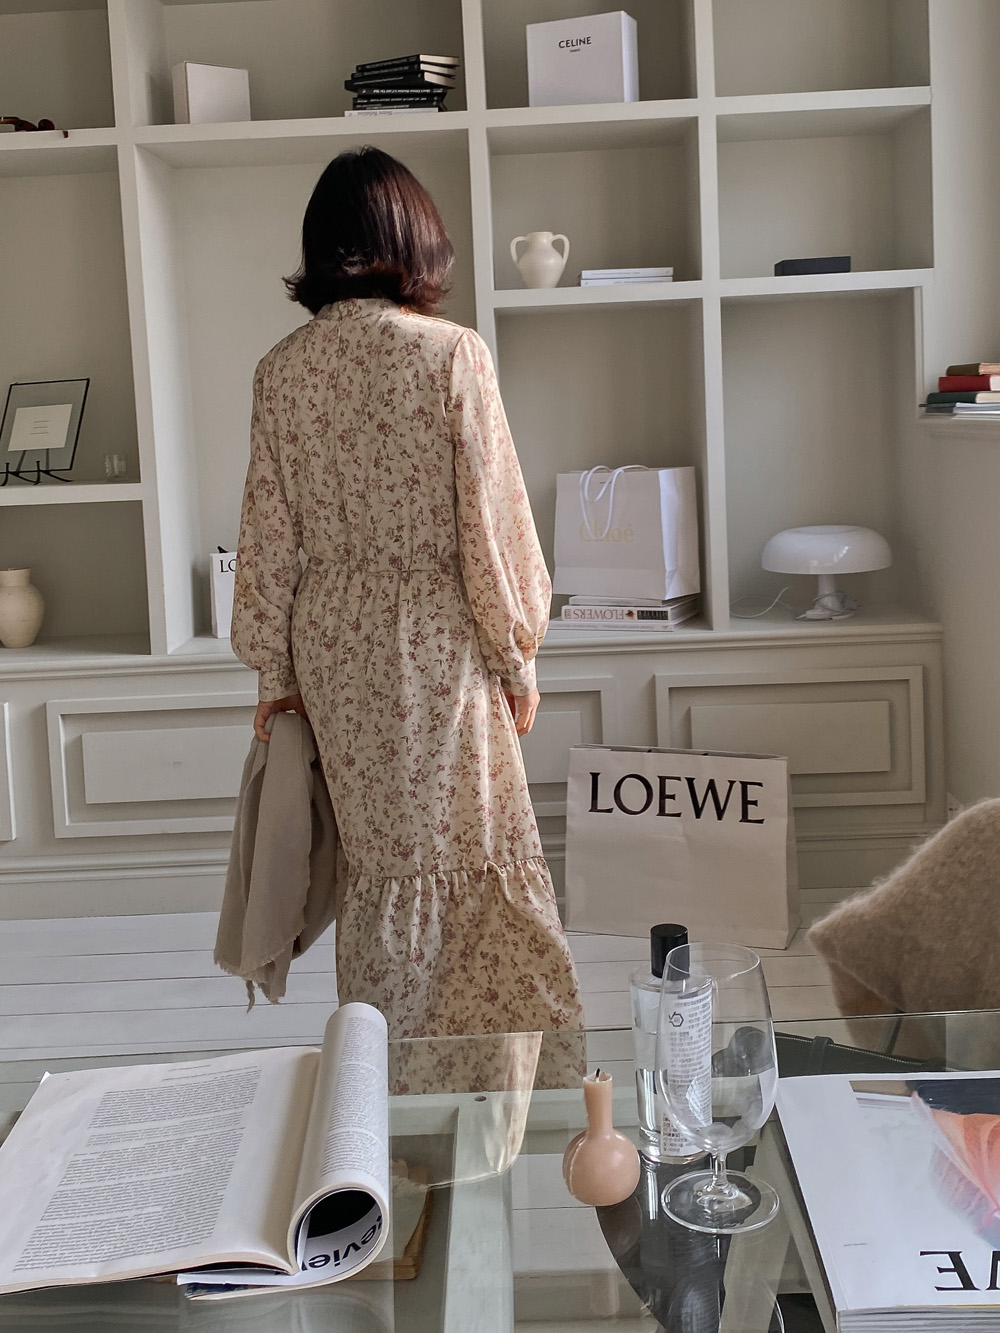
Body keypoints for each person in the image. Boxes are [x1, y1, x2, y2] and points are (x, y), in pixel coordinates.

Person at [231, 145, 585, 1048]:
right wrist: (517, 655)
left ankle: (381, 1067)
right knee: (471, 856)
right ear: (414, 239)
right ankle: (497, 1067)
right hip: (435, 643)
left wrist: (275, 674)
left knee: (381, 869)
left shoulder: (281, 371)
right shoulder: (451, 354)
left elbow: (266, 541)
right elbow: (491, 524)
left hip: (333, 648)